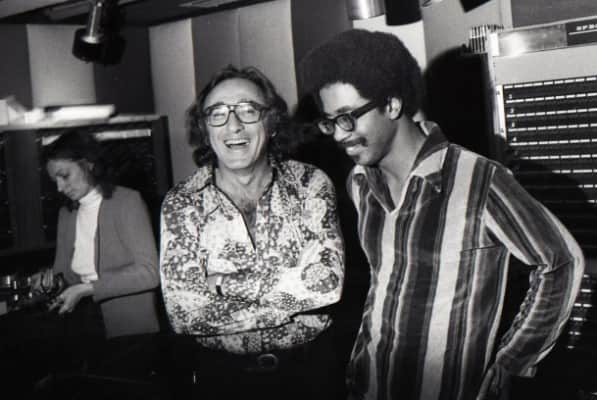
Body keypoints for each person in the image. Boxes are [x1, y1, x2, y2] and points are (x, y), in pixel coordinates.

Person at [298, 29, 585, 400]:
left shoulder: (480, 180)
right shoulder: (359, 183)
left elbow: (561, 262)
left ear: (392, 105)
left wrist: (512, 360)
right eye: (329, 122)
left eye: (347, 118)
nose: (339, 135)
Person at [159, 65, 345, 400]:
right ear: (204, 129)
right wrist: (292, 303)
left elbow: (326, 284)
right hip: (225, 380)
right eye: (217, 113)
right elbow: (184, 314)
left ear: (271, 122)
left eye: (248, 110)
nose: (233, 125)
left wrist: (222, 283)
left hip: (311, 372)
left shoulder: (310, 184)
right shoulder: (182, 203)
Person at [4, 130, 161, 393]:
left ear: (89, 164)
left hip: (129, 331)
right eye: (54, 180)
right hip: (80, 324)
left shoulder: (127, 202)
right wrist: (49, 282)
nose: (59, 187)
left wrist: (88, 288)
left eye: (64, 176)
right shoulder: (67, 213)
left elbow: (150, 273)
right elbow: (65, 276)